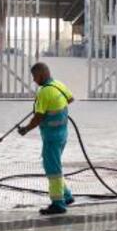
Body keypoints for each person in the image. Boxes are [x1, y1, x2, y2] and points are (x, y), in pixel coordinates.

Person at [17, 62, 76, 215]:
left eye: (34, 76)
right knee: (55, 165)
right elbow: (70, 99)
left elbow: (38, 117)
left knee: (52, 169)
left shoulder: (44, 92)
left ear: (41, 74)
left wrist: (25, 129)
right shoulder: (58, 85)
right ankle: (67, 195)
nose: (34, 80)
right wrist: (55, 105)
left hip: (51, 138)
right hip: (62, 135)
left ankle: (58, 204)